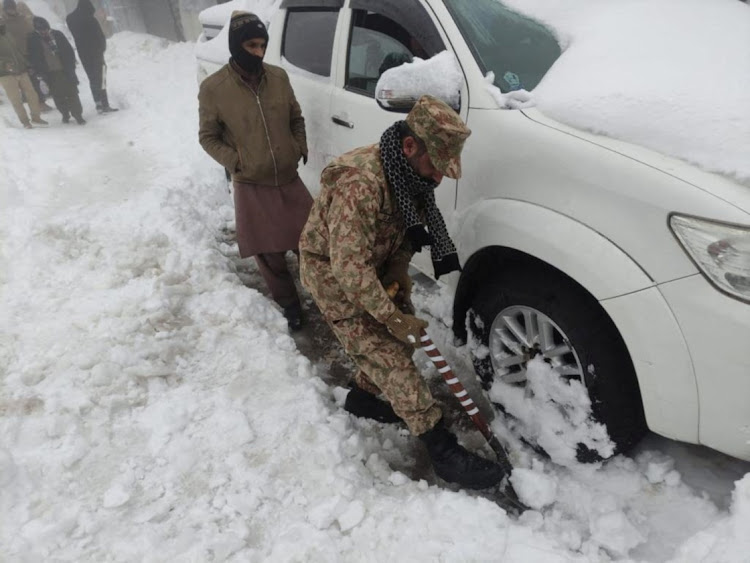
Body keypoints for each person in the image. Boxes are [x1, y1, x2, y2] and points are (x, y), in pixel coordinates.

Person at [298, 95, 507, 490]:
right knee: (392, 358)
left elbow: (407, 230)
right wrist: (391, 316)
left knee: (401, 341)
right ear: (410, 146)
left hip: (372, 267)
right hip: (333, 275)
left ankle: (363, 397)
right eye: (435, 166)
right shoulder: (361, 184)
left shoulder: (410, 176)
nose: (439, 179)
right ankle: (441, 449)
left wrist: (397, 269)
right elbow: (348, 267)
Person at [198, 11, 312, 330]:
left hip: (289, 178)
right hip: (251, 182)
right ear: (236, 45)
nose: (258, 53)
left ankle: (325, 295)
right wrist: (237, 161)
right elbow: (208, 136)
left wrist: (299, 146)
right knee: (270, 253)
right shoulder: (214, 88)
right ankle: (289, 305)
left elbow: (296, 119)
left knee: (311, 243)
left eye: (263, 45)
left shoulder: (278, 77)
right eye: (251, 45)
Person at [27, 17, 85, 125]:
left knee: (72, 93)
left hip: (65, 70)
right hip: (49, 73)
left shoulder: (57, 35)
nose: (44, 32)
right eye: (41, 30)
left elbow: (68, 50)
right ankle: (65, 114)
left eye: (46, 29)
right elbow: (33, 57)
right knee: (58, 96)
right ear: (36, 30)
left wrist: (71, 64)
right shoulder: (33, 39)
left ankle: (78, 115)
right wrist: (37, 71)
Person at [66, 0, 116, 113]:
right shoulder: (90, 19)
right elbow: (99, 35)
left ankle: (98, 104)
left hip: (83, 53)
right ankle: (105, 104)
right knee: (102, 77)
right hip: (96, 53)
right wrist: (102, 48)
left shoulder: (70, 19)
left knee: (92, 78)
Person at [1, 0, 51, 110]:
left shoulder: (22, 18)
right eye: (9, 8)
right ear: (5, 9)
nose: (12, 10)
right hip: (16, 56)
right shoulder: (3, 23)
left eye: (12, 7)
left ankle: (39, 101)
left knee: (34, 78)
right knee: (26, 80)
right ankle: (37, 103)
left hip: (30, 53)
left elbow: (31, 31)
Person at [0, 18, 45, 128]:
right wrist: (4, 63)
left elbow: (17, 51)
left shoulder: (7, 34)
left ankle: (36, 117)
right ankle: (25, 122)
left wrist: (26, 63)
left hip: (21, 69)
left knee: (32, 94)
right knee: (16, 99)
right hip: (5, 74)